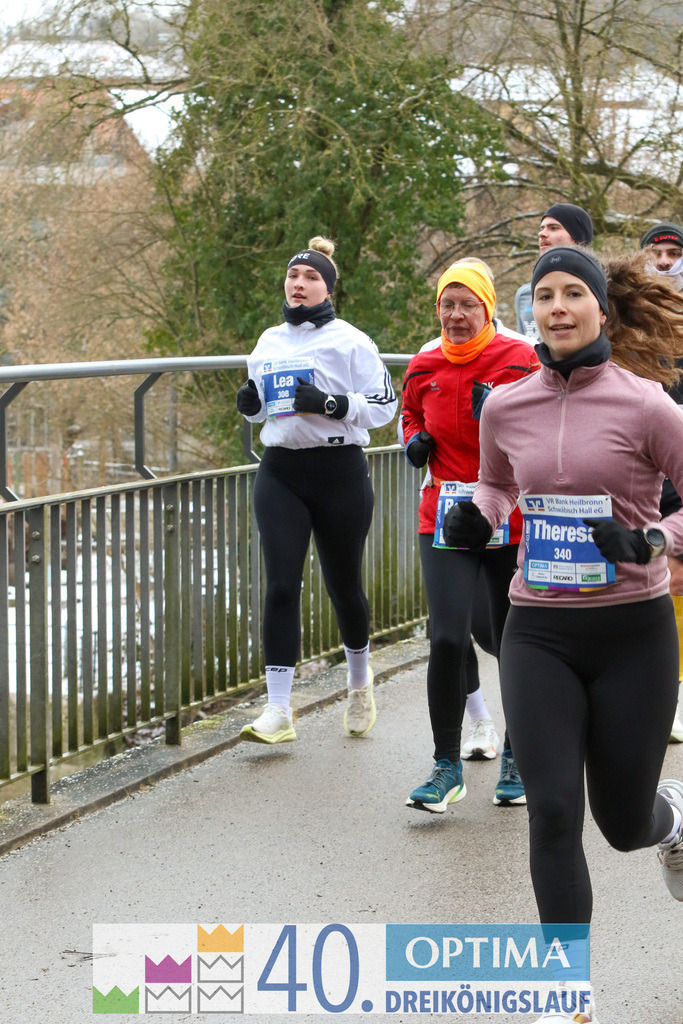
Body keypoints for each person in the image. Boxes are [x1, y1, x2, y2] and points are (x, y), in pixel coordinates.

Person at [444, 246, 683, 1023]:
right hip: (538, 627)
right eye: (543, 295)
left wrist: (652, 541)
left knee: (621, 825)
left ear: (601, 309)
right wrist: (475, 512)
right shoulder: (505, 405)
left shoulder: (648, 405)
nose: (555, 308)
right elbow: (495, 480)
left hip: (632, 634)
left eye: (571, 293)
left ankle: (671, 817)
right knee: (550, 810)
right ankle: (564, 992)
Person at [235, 236, 397, 744]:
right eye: (293, 276)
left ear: (328, 288)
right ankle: (279, 710)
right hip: (281, 470)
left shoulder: (351, 340)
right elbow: (263, 410)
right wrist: (250, 405)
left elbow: (385, 405)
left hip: (339, 471)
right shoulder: (267, 342)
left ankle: (358, 683)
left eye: (310, 278)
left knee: (342, 585)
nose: (299, 284)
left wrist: (332, 405)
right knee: (282, 585)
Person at [400, 260, 540, 812]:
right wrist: (414, 441)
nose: (457, 316)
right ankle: (444, 766)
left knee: (511, 643)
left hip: (508, 514)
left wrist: (503, 417)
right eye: (447, 305)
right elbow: (410, 414)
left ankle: (518, 755)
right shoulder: (423, 363)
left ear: (488, 308)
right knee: (448, 639)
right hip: (446, 516)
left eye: (467, 305)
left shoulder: (520, 359)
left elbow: (551, 417)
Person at [641, 222, 683, 742]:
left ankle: (674, 689)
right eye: (658, 253)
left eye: (675, 253)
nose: (666, 261)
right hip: (641, 446)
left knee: (676, 576)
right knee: (653, 567)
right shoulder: (629, 316)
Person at [515, 203, 593, 339]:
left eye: (553, 228)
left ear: (577, 238)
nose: (542, 234)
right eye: (542, 228)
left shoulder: (605, 288)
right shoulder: (524, 295)